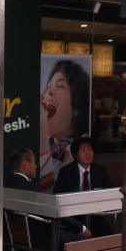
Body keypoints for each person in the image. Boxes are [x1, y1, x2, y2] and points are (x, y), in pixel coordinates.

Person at [40, 59, 90, 192]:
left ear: (77, 107)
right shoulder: (49, 143)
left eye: (60, 86)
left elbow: (48, 190)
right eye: (49, 86)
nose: (49, 92)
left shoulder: (72, 152)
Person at [53, 138, 113, 236]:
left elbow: (108, 192)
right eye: (83, 150)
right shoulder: (66, 171)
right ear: (75, 155)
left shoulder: (100, 170)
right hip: (74, 216)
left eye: (90, 149)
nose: (88, 153)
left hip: (96, 215)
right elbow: (58, 196)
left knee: (108, 234)